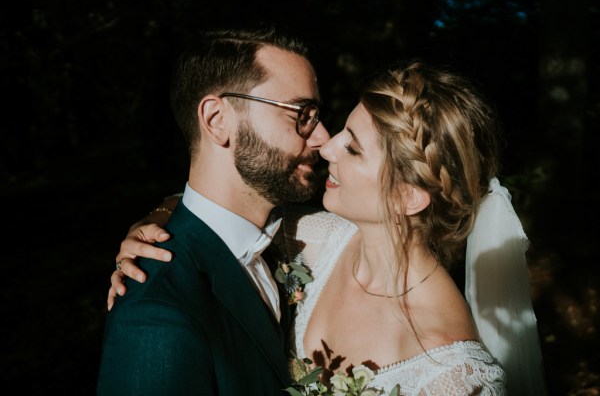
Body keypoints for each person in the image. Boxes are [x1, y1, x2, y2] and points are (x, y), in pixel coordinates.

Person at [110, 62, 548, 395]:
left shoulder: (456, 376)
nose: (327, 146)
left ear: (409, 197)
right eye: (344, 131)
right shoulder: (313, 239)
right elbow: (219, 215)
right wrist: (157, 220)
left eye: (353, 149)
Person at [96, 26, 330, 395]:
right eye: (301, 114)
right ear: (217, 120)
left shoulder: (287, 239)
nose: (322, 138)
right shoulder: (157, 314)